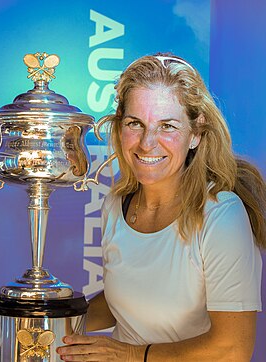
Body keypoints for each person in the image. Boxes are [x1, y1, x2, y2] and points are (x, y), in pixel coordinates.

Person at [56, 53, 266, 361]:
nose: (146, 143)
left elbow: (232, 348)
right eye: (135, 124)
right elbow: (130, 300)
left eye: (167, 126)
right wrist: (54, 322)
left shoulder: (221, 215)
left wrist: (129, 355)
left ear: (195, 133)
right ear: (119, 127)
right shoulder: (116, 203)